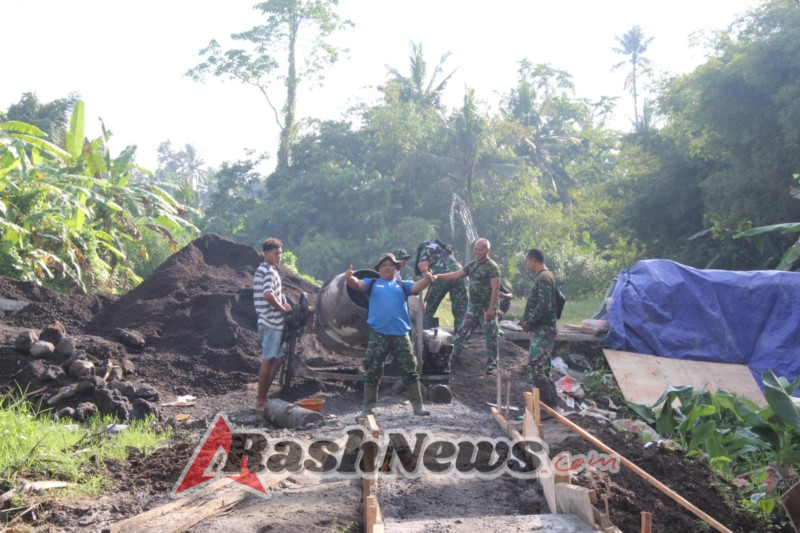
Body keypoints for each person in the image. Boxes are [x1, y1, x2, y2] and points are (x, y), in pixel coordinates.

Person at [345, 252, 436, 417]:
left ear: (397, 269)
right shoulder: (372, 283)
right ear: (379, 269)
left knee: (409, 369)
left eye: (391, 265)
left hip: (401, 334)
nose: (388, 267)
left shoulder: (403, 285)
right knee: (373, 369)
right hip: (378, 334)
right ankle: (368, 408)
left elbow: (417, 287)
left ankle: (418, 406)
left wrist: (427, 280)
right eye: (384, 265)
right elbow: (358, 285)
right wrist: (350, 279)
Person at [436, 238, 502, 375]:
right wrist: (437, 276)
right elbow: (455, 275)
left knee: (491, 336)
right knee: (461, 333)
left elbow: (495, 289)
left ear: (487, 251)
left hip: (486, 308)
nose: (477, 252)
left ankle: (492, 364)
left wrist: (491, 309)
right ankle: (450, 358)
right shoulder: (472, 265)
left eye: (480, 249)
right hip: (473, 307)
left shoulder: (492, 267)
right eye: (476, 249)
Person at [253, 237, 292, 410]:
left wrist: (283, 302)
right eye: (276, 254)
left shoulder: (262, 270)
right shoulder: (268, 271)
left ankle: (264, 396)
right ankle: (260, 401)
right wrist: (282, 308)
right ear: (266, 253)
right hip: (271, 322)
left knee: (279, 358)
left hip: (268, 321)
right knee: (268, 360)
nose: (279, 257)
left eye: (280, 254)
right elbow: (268, 295)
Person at [519, 248, 559, 407]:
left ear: (533, 259)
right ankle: (546, 407)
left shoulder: (543, 277)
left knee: (535, 368)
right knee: (542, 368)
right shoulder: (546, 276)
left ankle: (547, 407)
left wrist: (529, 322)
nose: (527, 265)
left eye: (527, 261)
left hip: (542, 330)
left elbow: (544, 306)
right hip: (544, 328)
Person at [416, 241, 468, 331]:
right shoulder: (444, 247)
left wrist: (426, 273)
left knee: (430, 307)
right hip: (458, 274)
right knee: (460, 309)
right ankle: (460, 336)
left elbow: (422, 265)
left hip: (440, 275)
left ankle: (424, 332)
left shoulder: (426, 249)